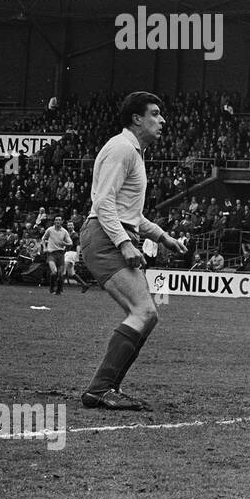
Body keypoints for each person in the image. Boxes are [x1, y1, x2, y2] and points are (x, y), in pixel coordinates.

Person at [78, 92, 188, 410]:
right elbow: (103, 203)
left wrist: (165, 238)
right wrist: (124, 243)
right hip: (106, 236)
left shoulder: (133, 153)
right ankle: (100, 389)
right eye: (155, 113)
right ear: (136, 119)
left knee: (147, 315)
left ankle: (106, 388)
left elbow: (132, 214)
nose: (162, 120)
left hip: (113, 232)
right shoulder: (123, 148)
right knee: (144, 312)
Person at [40, 215, 73, 295]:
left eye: (59, 220)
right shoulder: (50, 230)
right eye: (56, 220)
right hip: (51, 253)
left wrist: (64, 243)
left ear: (62, 222)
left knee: (61, 274)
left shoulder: (64, 232)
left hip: (61, 254)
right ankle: (51, 288)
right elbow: (43, 239)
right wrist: (44, 247)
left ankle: (58, 291)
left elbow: (70, 243)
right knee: (54, 271)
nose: (58, 221)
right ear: (54, 221)